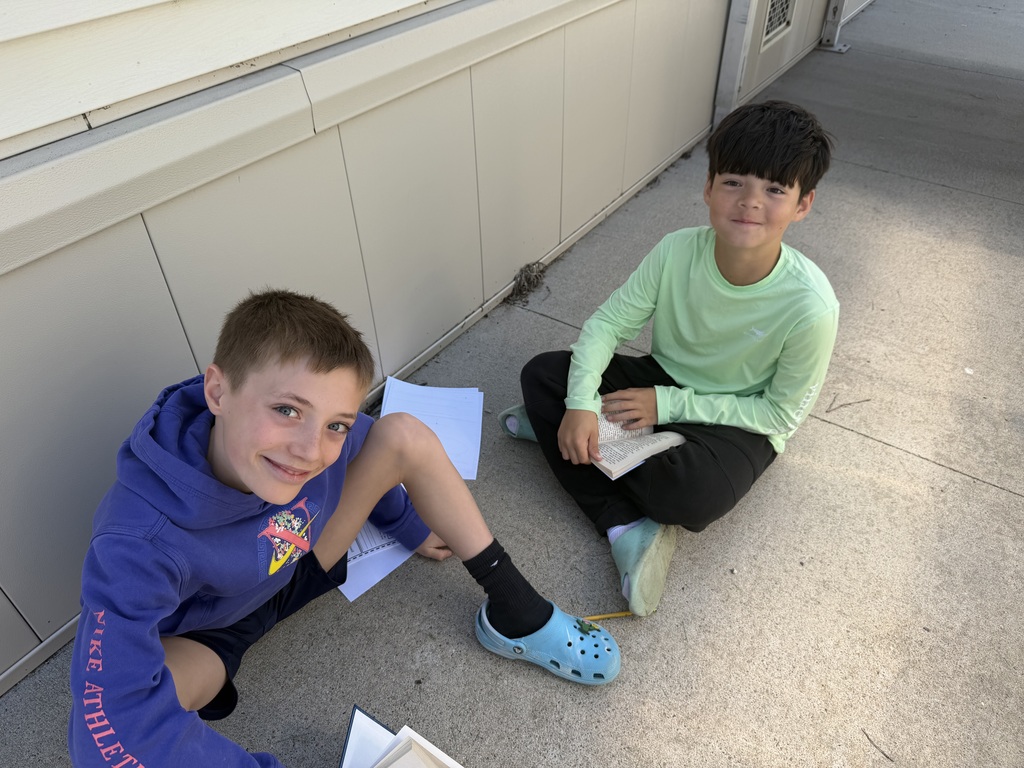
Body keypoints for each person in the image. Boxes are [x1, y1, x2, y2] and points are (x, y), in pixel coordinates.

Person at [69, 289, 620, 768]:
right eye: (286, 410)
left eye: (333, 422)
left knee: (402, 433)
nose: (311, 449)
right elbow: (105, 732)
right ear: (218, 392)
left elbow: (370, 445)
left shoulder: (317, 442)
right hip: (211, 634)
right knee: (113, 718)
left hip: (297, 561)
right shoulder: (138, 539)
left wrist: (407, 523)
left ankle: (517, 611)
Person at [500, 100, 839, 617]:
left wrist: (666, 405)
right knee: (545, 373)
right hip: (664, 381)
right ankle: (617, 505)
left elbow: (779, 415)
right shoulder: (677, 250)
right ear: (707, 188)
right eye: (733, 182)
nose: (750, 202)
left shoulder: (811, 306)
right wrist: (580, 402)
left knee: (693, 496)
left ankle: (583, 449)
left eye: (774, 189)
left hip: (739, 418)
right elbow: (607, 326)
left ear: (803, 204)